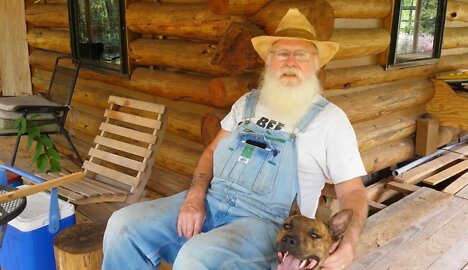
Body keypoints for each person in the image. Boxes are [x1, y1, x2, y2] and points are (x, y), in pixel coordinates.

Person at [102, 8, 368, 270]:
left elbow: (353, 191)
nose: (290, 62)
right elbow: (210, 153)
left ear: (315, 63)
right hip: (211, 200)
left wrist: (350, 241)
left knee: (194, 259)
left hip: (269, 224)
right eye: (281, 53)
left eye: (301, 54)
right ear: (269, 61)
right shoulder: (246, 104)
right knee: (122, 226)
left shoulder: (330, 120)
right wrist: (195, 197)